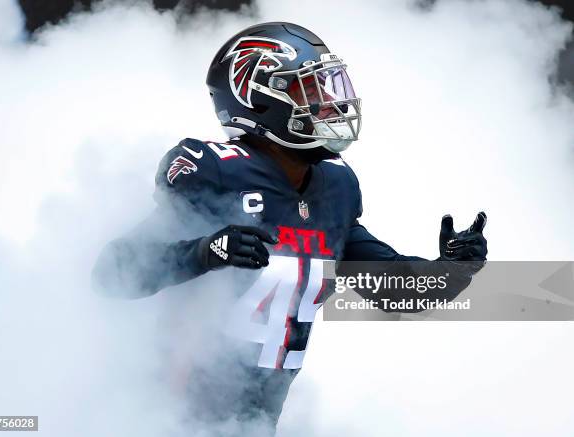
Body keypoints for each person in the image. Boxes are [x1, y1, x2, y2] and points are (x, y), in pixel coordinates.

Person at [92, 22, 488, 436]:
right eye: (309, 91)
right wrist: (206, 251)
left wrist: (451, 272)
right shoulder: (216, 172)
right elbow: (112, 274)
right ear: (258, 99)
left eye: (327, 88)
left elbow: (394, 289)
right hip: (161, 419)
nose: (329, 104)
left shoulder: (334, 187)